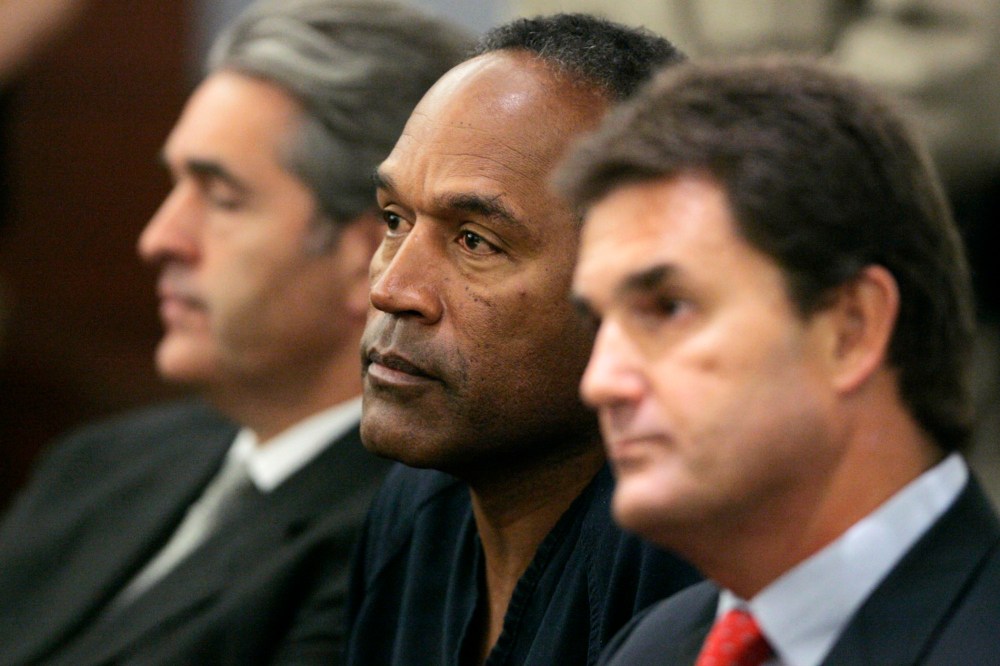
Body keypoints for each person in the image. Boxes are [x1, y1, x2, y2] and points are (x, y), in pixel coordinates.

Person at [0, 1, 470, 664]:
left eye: (221, 198)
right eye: (173, 186)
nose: (159, 238)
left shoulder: (403, 542)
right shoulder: (100, 463)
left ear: (372, 255)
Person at [558, 56, 1000, 665]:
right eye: (598, 323)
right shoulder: (647, 649)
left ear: (851, 329)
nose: (600, 382)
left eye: (668, 308)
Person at [346, 13, 700, 666]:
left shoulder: (686, 556)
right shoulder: (413, 510)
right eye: (394, 219)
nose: (393, 288)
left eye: (474, 240)